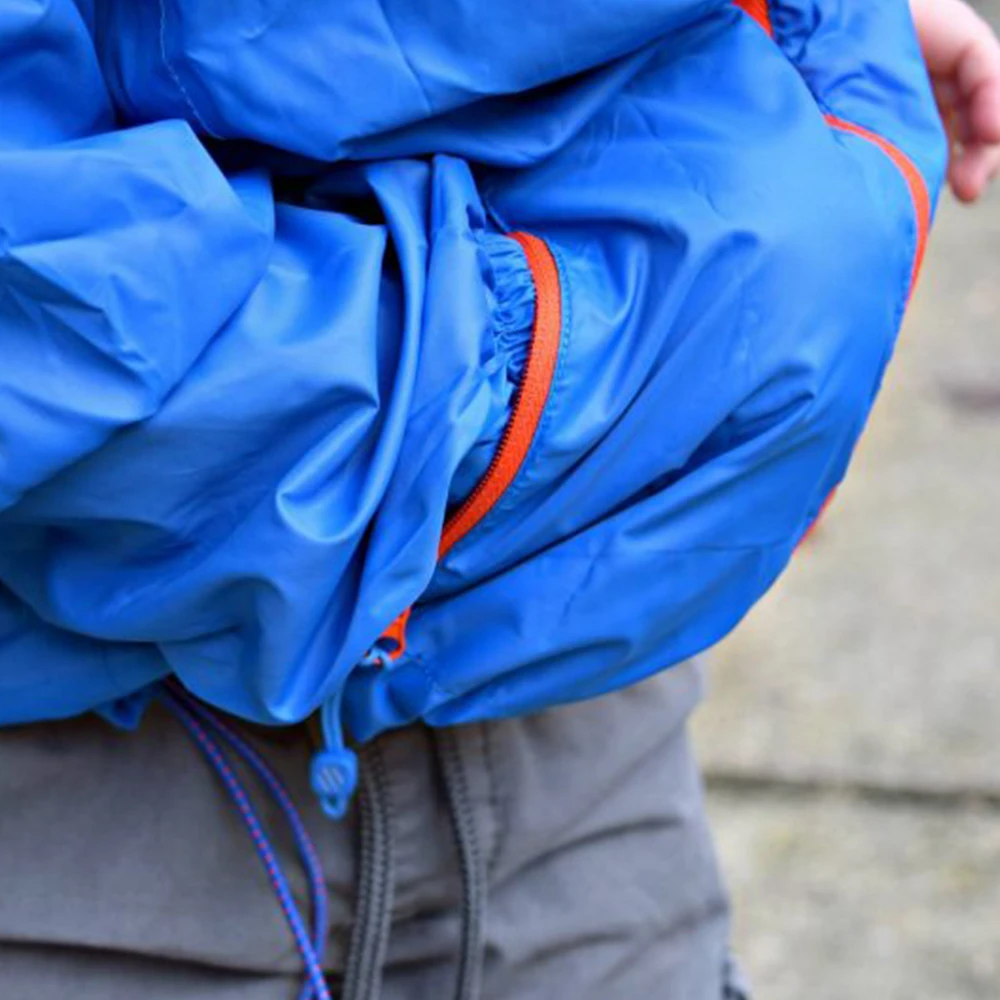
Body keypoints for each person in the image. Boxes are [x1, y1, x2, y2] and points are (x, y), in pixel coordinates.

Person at [0, 1, 993, 998]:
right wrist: (702, 356)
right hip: (87, 811)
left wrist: (800, 40)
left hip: (582, 760)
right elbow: (68, 337)